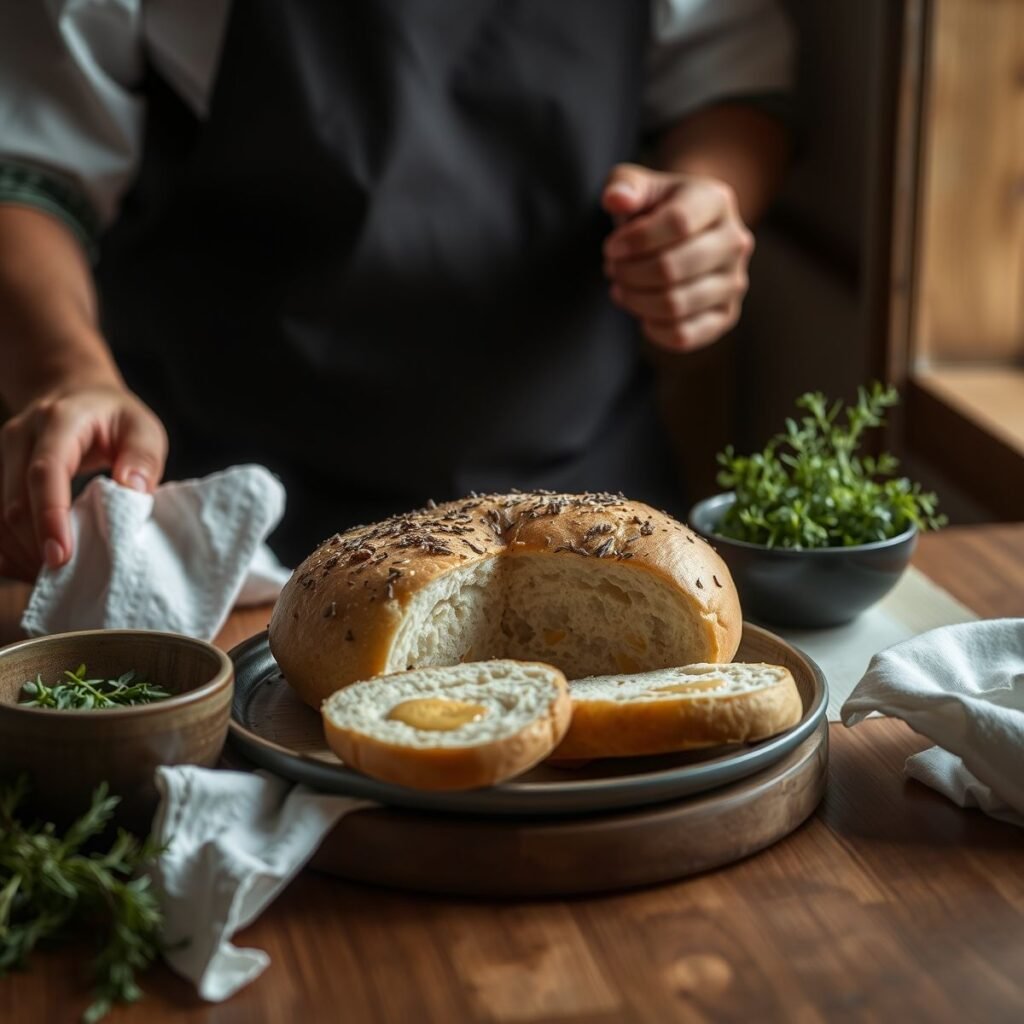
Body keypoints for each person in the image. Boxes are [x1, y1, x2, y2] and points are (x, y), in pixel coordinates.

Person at [0, 0, 792, 576]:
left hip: (578, 494)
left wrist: (704, 202)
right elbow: (32, 171)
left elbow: (727, 82)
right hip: (226, 522)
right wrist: (70, 373)